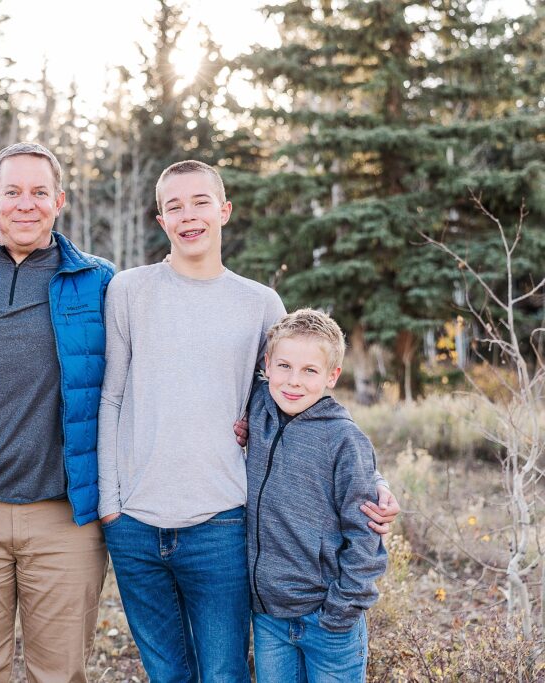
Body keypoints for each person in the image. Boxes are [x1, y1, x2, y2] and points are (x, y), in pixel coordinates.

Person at [96, 160, 397, 682]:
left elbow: (295, 406)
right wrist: (109, 505)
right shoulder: (128, 291)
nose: (188, 215)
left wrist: (373, 483)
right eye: (174, 206)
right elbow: (112, 397)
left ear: (224, 211)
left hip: (222, 523)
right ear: (161, 219)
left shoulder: (259, 303)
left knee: (224, 674)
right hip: (135, 525)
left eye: (200, 203)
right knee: (167, 674)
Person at [0, 142, 114, 682]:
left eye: (38, 192)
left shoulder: (100, 282)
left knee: (60, 673)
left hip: (65, 519)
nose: (25, 204)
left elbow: (138, 379)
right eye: (13, 191)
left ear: (59, 200)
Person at [249, 308, 388, 682]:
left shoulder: (343, 439)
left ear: (332, 376)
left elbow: (366, 535)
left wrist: (340, 611)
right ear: (267, 365)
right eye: (284, 366)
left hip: (328, 623)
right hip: (269, 620)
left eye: (310, 370)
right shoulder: (259, 406)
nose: (294, 381)